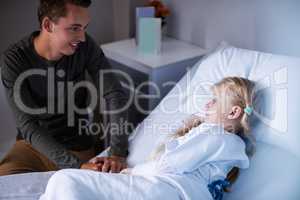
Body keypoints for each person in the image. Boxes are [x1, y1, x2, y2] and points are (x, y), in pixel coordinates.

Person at [39, 77, 257, 200]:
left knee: (65, 179)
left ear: (233, 113)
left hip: (166, 191)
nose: (207, 105)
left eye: (215, 101)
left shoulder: (215, 134)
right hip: (169, 191)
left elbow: (168, 165)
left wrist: (131, 172)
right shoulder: (228, 144)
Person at [0, 0, 129, 176]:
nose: (82, 37)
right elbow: (28, 125)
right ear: (48, 25)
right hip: (30, 147)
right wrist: (75, 166)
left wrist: (118, 153)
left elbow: (114, 94)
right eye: (75, 28)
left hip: (75, 145)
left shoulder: (85, 46)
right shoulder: (14, 60)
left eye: (84, 28)